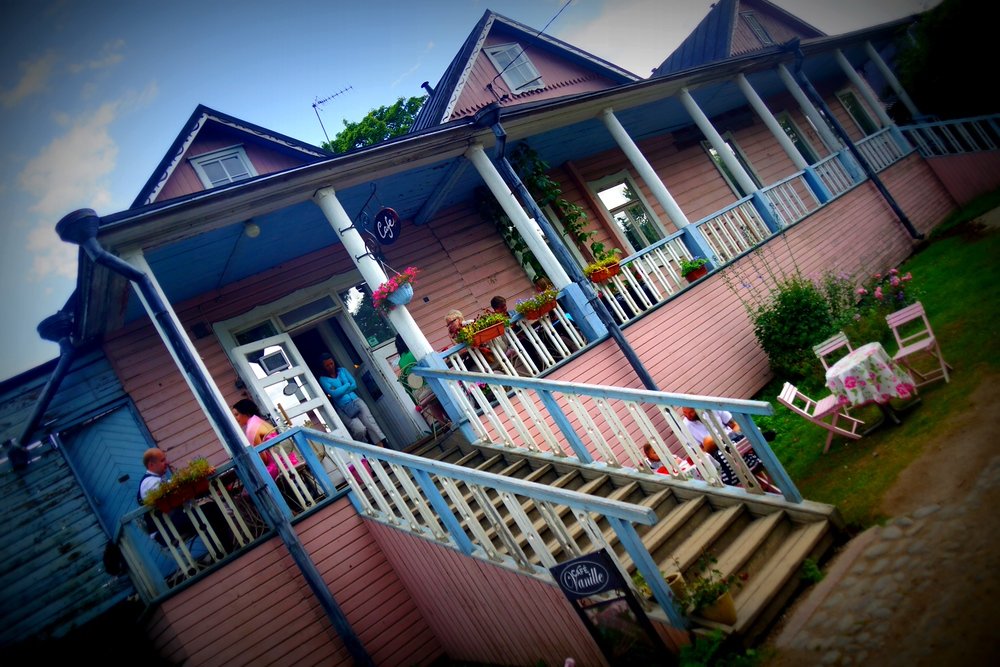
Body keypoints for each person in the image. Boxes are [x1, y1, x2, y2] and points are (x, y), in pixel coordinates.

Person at [137, 447, 234, 552]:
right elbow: (172, 492)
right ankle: (222, 550)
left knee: (210, 508)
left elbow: (174, 488)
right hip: (164, 530)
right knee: (207, 511)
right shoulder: (150, 483)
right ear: (151, 465)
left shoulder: (155, 480)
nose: (167, 462)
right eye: (162, 460)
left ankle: (225, 548)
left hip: (170, 523)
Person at [679, 407, 778, 492]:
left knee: (736, 445)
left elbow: (735, 425)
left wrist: (730, 436)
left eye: (691, 412)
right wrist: (721, 439)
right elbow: (700, 451)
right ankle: (758, 438)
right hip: (714, 451)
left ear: (698, 407)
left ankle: (764, 484)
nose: (688, 416)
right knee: (709, 440)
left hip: (732, 439)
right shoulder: (685, 425)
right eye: (685, 413)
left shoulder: (712, 408)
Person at [318, 353, 388, 448]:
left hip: (356, 400)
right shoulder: (323, 379)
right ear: (323, 367)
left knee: (370, 424)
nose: (330, 367)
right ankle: (366, 449)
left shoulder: (342, 370)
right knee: (359, 429)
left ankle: (383, 447)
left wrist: (340, 389)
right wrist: (347, 384)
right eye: (327, 365)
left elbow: (354, 384)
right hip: (344, 408)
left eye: (331, 363)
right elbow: (334, 394)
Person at [231, 398, 298, 479]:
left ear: (246, 412)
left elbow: (263, 460)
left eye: (236, 414)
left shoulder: (252, 428)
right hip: (290, 459)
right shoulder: (260, 421)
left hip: (279, 466)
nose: (235, 418)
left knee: (254, 482)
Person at [395, 334, 449, 427]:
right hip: (429, 388)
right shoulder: (415, 353)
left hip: (418, 394)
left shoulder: (400, 362)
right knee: (440, 388)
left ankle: (443, 423)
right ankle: (452, 418)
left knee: (432, 402)